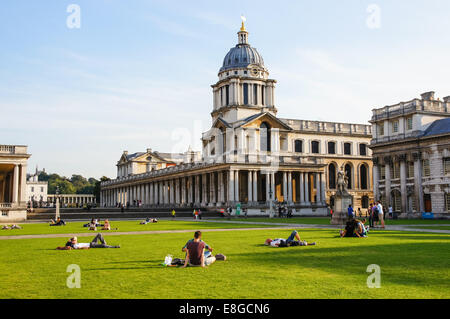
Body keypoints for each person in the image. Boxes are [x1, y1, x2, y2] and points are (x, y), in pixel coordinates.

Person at [56, 233, 120, 250]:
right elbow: (81, 248)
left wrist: (70, 240)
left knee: (99, 234)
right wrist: (86, 248)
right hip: (91, 245)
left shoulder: (75, 244)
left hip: (91, 243)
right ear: (73, 242)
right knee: (103, 246)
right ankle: (115, 247)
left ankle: (104, 243)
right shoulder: (75, 246)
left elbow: (75, 237)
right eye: (75, 240)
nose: (76, 240)